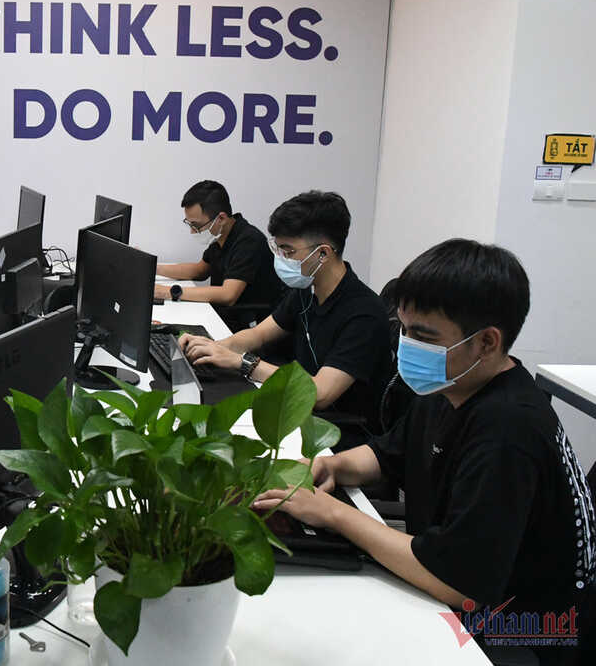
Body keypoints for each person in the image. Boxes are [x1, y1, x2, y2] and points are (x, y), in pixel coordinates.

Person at [254, 239, 594, 665]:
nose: (406, 345)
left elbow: (459, 583)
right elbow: (389, 454)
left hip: (521, 631)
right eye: (404, 329)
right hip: (459, 589)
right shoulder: (452, 385)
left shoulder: (509, 429)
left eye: (423, 336)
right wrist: (334, 465)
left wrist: (335, 514)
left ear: (487, 342)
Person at [181, 190, 391, 444]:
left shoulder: (364, 314)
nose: (281, 259)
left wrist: (242, 363)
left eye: (288, 252)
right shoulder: (307, 289)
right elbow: (259, 334)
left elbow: (321, 393)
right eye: (278, 249)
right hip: (295, 411)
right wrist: (213, 347)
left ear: (323, 254)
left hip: (333, 435)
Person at [154, 180, 283, 332]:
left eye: (196, 225)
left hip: (246, 325)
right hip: (224, 316)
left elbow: (228, 295)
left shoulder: (249, 241)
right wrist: (153, 268)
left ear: (221, 219)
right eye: (190, 225)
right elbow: (199, 271)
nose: (192, 231)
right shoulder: (220, 236)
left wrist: (168, 292)